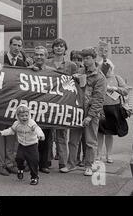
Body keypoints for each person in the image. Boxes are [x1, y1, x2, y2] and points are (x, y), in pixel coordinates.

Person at [66, 48, 106, 176]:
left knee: (90, 141)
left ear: (94, 59)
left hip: (90, 113)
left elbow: (99, 99)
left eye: (88, 58)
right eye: (84, 58)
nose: (85, 61)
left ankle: (89, 165)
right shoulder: (80, 72)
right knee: (73, 140)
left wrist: (90, 116)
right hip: (77, 111)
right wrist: (73, 79)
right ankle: (71, 164)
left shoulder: (100, 76)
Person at [0, 36, 26, 176]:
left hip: (14, 103)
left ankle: (9, 162)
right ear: (9, 45)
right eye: (14, 45)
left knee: (12, 133)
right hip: (0, 103)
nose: (17, 48)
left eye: (19, 45)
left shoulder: (22, 63)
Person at [46, 38, 77, 173]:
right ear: (53, 49)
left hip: (63, 103)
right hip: (47, 101)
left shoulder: (71, 65)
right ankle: (46, 161)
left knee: (62, 134)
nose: (59, 48)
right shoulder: (46, 63)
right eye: (56, 46)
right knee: (47, 134)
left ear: (65, 49)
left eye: (61, 46)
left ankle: (63, 163)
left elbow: (76, 82)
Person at [0, 104, 45, 185]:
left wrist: (41, 135)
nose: (24, 117)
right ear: (18, 116)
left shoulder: (31, 123)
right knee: (19, 158)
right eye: (22, 116)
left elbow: (37, 129)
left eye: (26, 115)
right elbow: (11, 131)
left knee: (33, 161)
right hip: (22, 145)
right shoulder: (16, 124)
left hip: (32, 145)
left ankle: (34, 177)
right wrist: (2, 133)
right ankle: (20, 169)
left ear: (29, 115)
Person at [97, 62, 128, 163]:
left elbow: (126, 91)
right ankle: (98, 155)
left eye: (109, 68)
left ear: (112, 68)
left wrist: (115, 88)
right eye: (104, 68)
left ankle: (109, 155)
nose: (107, 70)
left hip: (114, 108)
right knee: (100, 133)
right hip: (101, 108)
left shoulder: (117, 78)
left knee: (109, 133)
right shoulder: (98, 78)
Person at [31, 46, 55, 174]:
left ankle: (44, 164)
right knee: (31, 138)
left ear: (46, 57)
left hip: (46, 110)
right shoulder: (27, 70)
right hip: (32, 110)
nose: (39, 57)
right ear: (33, 56)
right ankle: (31, 163)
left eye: (41, 55)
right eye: (37, 54)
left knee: (45, 138)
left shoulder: (52, 72)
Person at [70, 50, 86, 166]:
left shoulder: (84, 72)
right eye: (74, 59)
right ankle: (75, 158)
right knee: (74, 137)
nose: (76, 62)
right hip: (73, 107)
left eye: (79, 60)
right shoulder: (69, 72)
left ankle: (85, 158)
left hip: (84, 107)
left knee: (85, 136)